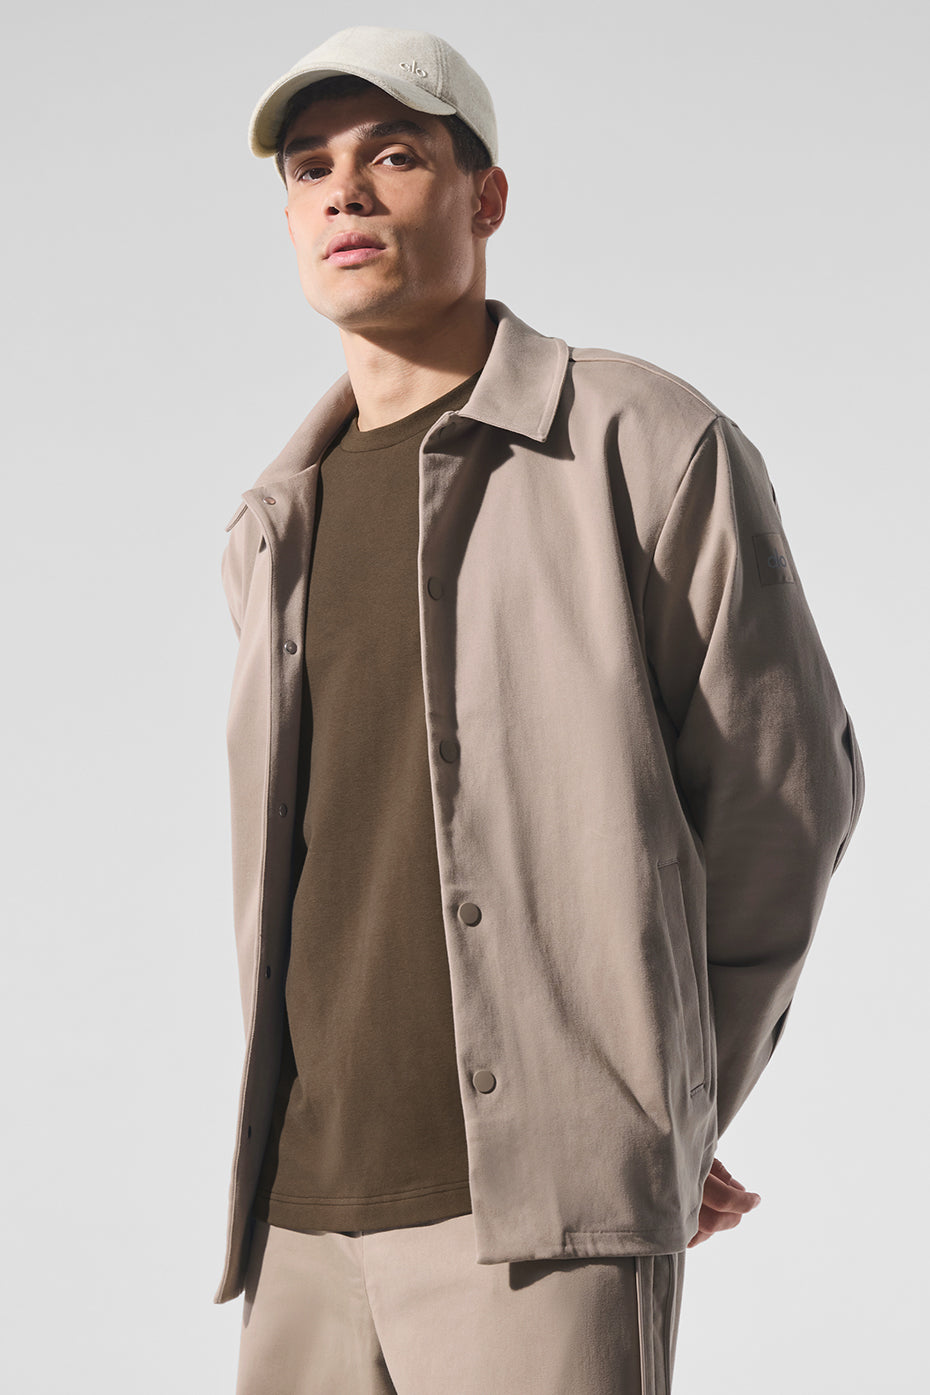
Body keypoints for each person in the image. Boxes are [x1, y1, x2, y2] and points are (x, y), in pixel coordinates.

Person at [216, 26, 865, 1395]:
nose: (345, 192)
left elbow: (783, 799)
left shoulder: (640, 441)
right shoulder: (274, 523)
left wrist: (659, 1105)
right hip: (297, 1214)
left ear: (485, 196)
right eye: (310, 168)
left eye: (396, 155)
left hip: (538, 1217)